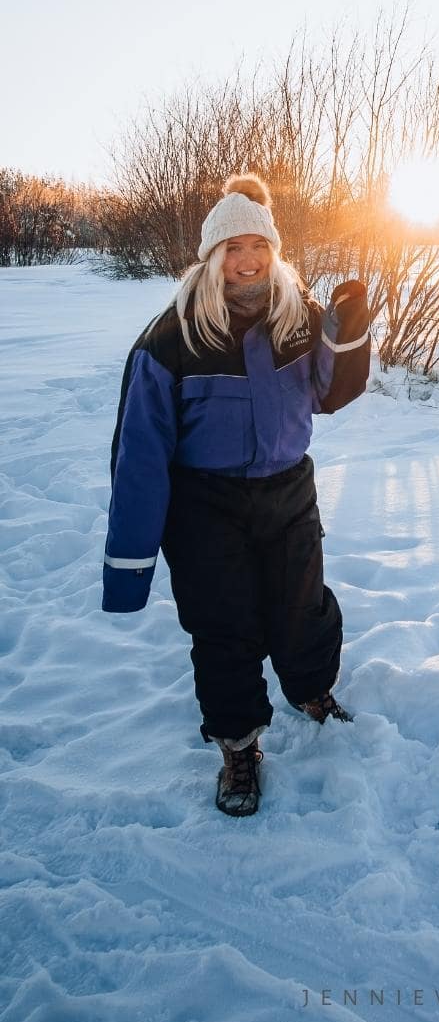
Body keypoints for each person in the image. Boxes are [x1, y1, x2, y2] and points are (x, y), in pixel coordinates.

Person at [102, 173, 371, 817]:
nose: (247, 261)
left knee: (300, 607)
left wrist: (347, 330)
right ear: (211, 256)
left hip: (287, 493)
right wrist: (129, 566)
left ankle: (310, 689)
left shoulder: (298, 315)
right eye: (233, 249)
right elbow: (139, 457)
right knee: (223, 627)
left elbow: (331, 393)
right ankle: (238, 745)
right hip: (205, 508)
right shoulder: (172, 338)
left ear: (274, 250)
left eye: (258, 245)